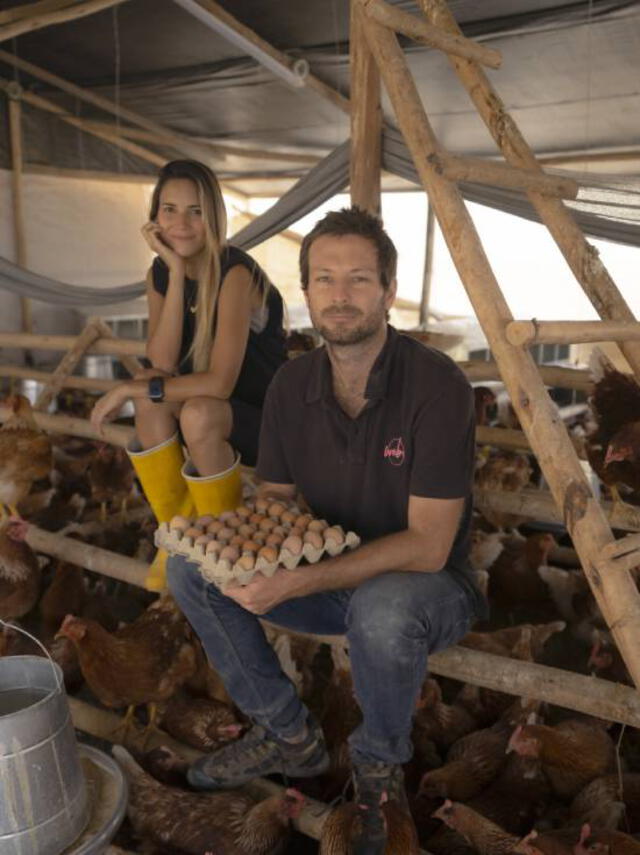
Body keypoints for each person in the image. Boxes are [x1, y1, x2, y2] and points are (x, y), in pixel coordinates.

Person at [167, 206, 486, 854]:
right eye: (325, 278)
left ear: (389, 291)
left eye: (359, 279)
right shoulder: (291, 384)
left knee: (384, 607)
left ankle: (378, 768)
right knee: (188, 568)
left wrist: (298, 576)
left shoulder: (437, 385)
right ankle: (286, 731)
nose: (340, 296)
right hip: (331, 575)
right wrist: (245, 554)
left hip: (426, 587)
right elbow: (278, 501)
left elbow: (428, 546)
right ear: (306, 290)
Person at [90, 160, 286, 590]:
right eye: (170, 209)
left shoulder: (236, 273)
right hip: (210, 412)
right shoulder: (160, 273)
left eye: (196, 211)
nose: (182, 223)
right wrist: (175, 272)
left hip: (266, 421)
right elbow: (159, 362)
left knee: (192, 410)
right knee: (151, 396)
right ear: (155, 216)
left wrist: (128, 385)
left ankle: (222, 542)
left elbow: (220, 384)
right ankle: (178, 535)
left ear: (213, 215)